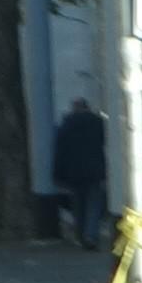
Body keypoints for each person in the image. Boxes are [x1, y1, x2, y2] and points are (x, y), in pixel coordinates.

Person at [52, 96, 110, 250]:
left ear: (74, 107)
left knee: (78, 205)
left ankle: (80, 235)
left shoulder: (67, 124)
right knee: (93, 204)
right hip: (94, 170)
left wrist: (57, 174)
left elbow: (60, 151)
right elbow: (104, 145)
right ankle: (91, 235)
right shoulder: (98, 123)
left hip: (74, 172)